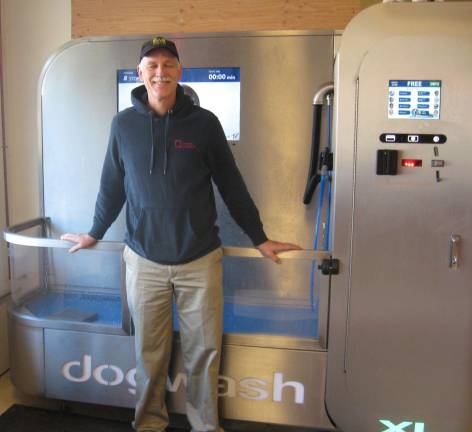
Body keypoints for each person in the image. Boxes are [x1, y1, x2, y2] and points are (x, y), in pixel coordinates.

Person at [61, 36, 300, 432]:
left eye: (168, 64)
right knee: (148, 352)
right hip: (143, 260)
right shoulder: (122, 125)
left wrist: (259, 237)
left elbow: (231, 184)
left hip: (199, 260)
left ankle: (206, 425)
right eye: (152, 65)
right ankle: (149, 423)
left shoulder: (205, 124)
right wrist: (94, 232)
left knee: (204, 352)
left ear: (179, 71)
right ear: (140, 73)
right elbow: (111, 186)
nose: (160, 72)